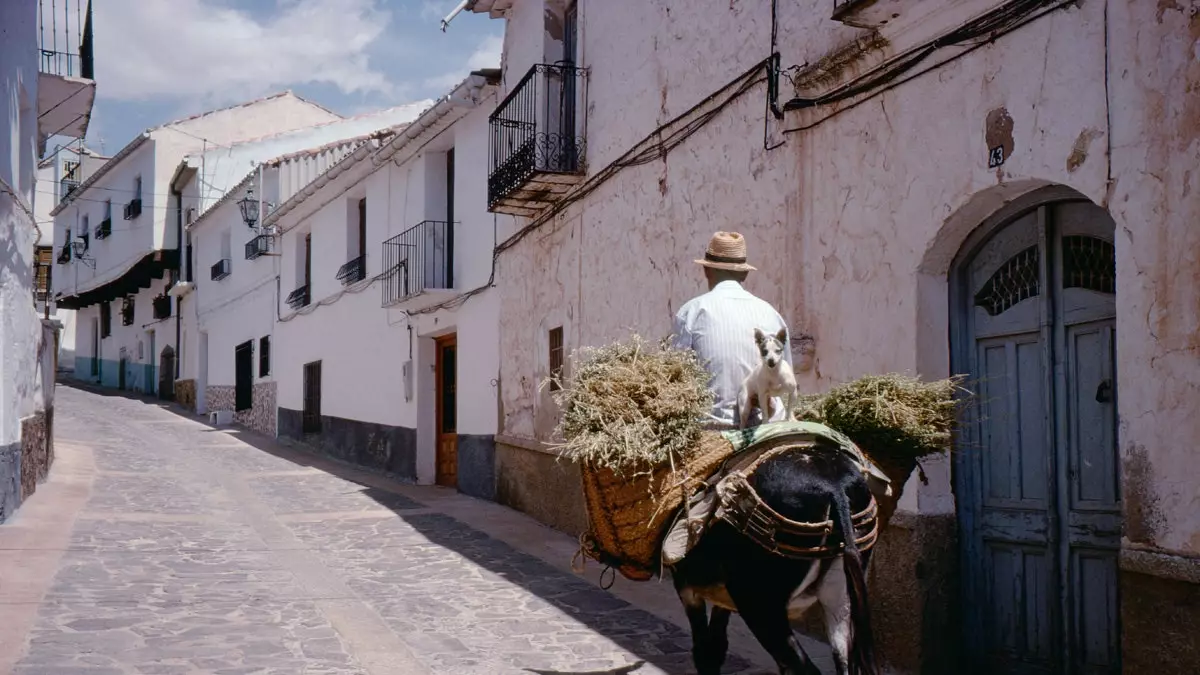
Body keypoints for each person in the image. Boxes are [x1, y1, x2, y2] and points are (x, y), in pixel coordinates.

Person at [672, 231, 793, 429]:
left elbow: (674, 382)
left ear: (706, 270)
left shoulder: (692, 311)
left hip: (715, 425)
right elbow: (787, 378)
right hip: (770, 426)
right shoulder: (771, 314)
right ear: (744, 273)